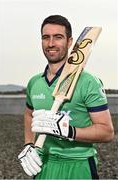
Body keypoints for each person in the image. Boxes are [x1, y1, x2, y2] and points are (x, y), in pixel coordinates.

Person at [18, 15, 114, 179]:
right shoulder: (34, 82)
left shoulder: (88, 82)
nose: (51, 43)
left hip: (79, 164)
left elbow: (107, 132)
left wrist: (67, 131)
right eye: (46, 37)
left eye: (58, 37)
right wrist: (29, 144)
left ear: (70, 42)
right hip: (44, 164)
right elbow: (29, 113)